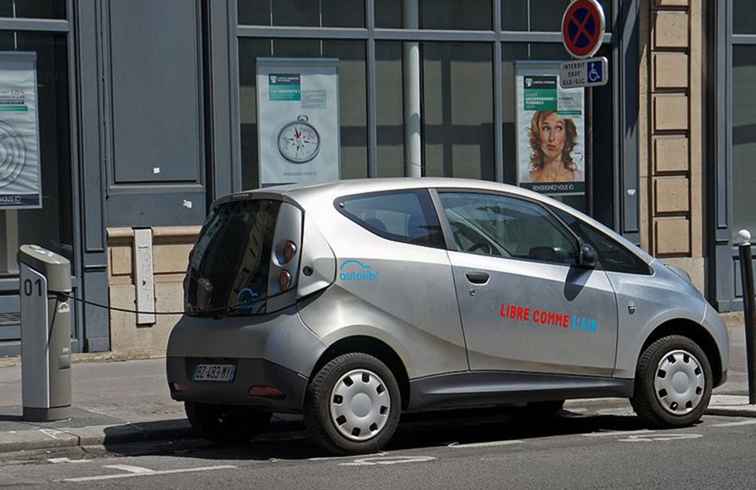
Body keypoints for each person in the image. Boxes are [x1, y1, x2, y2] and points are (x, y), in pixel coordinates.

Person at [527, 111, 583, 183]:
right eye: (546, 128)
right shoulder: (526, 180)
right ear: (537, 134)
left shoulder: (581, 178)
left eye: (558, 128)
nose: (551, 138)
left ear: (567, 134)